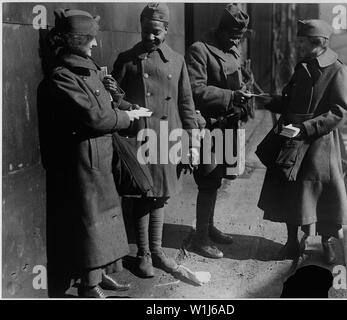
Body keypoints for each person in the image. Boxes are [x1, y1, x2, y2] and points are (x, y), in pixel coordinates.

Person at [40, 8, 145, 298]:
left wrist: (123, 104)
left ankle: (101, 276)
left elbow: (105, 106)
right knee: (90, 223)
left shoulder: (87, 70)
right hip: (84, 163)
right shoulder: (63, 77)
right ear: (75, 40)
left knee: (106, 217)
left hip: (99, 158)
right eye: (90, 39)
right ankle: (89, 285)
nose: (95, 44)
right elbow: (95, 118)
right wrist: (125, 119)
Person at [111, 3, 199, 278]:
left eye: (157, 32)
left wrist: (192, 144)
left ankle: (158, 251)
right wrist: (123, 101)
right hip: (139, 137)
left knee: (160, 196)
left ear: (167, 30)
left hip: (168, 136)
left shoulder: (177, 59)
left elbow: (186, 104)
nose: (151, 37)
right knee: (142, 196)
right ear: (141, 27)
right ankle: (143, 254)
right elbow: (113, 99)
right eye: (147, 31)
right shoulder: (126, 59)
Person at [257, 19, 347, 264]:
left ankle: (327, 242)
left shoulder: (337, 69)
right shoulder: (302, 65)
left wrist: (308, 128)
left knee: (325, 192)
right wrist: (263, 99)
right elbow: (289, 101)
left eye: (304, 42)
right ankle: (291, 241)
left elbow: (340, 111)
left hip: (319, 142)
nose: (300, 46)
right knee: (290, 189)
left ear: (318, 42)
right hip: (292, 137)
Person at [185, 4, 251, 259]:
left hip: (229, 124)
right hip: (209, 126)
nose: (236, 41)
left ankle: (209, 227)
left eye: (239, 37)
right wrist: (231, 96)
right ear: (221, 29)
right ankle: (200, 238)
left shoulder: (231, 48)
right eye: (233, 36)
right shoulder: (199, 50)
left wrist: (243, 92)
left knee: (219, 177)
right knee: (208, 180)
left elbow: (237, 76)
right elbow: (195, 89)